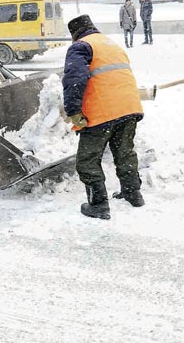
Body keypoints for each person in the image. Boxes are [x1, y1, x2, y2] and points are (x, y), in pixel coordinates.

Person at [62, 14, 145, 220]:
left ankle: (98, 205)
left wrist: (73, 111)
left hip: (102, 111)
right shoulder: (111, 45)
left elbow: (74, 79)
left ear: (75, 35)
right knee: (124, 153)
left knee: (87, 160)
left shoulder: (81, 47)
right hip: (129, 107)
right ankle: (133, 193)